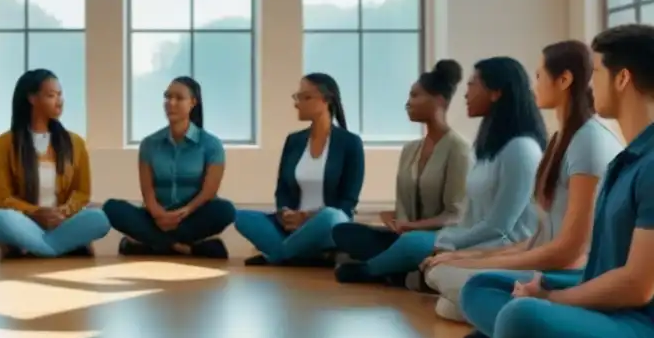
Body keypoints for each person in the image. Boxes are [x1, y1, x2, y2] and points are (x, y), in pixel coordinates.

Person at [460, 25, 654, 338]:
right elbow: (602, 270)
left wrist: (553, 298)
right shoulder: (626, 159)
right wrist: (544, 286)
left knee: (522, 317)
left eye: (596, 72)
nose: (590, 85)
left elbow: (637, 287)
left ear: (623, 78)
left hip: (641, 329)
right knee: (481, 287)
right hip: (606, 307)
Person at [424, 42, 622, 321]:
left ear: (564, 80)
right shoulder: (559, 139)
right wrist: (469, 258)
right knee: (445, 276)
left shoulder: (588, 141)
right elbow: (536, 241)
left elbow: (567, 252)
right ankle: (508, 312)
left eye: (539, 75)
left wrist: (471, 262)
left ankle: (529, 317)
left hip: (570, 274)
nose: (534, 85)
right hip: (545, 265)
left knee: (460, 284)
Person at [335, 57, 546, 285]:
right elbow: (472, 215)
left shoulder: (520, 149)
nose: (465, 94)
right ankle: (403, 268)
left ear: (496, 92)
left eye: (472, 84)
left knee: (416, 246)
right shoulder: (489, 147)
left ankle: (375, 270)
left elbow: (499, 226)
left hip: (497, 247)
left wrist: (445, 241)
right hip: (465, 238)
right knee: (367, 236)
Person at [331, 61, 470, 272]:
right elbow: (406, 208)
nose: (408, 103)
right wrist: (395, 218)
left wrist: (412, 227)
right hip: (405, 236)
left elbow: (455, 215)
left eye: (415, 96)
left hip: (440, 237)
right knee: (343, 231)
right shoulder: (410, 150)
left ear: (439, 100)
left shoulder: (459, 149)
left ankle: (371, 270)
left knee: (413, 242)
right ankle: (397, 265)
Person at [234, 73, 365, 266]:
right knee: (240, 217)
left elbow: (348, 201)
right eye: (297, 97)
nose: (297, 103)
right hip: (293, 227)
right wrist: (286, 214)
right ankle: (308, 255)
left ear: (326, 100)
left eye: (305, 97)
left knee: (330, 216)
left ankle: (278, 256)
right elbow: (282, 190)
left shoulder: (350, 143)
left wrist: (309, 217)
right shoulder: (294, 141)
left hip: (329, 225)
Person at [103, 77, 235, 258]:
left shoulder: (211, 145)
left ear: (193, 103)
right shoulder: (149, 144)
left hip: (192, 215)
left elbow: (208, 192)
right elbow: (147, 192)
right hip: (156, 216)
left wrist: (184, 211)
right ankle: (185, 248)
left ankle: (151, 245)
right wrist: (158, 214)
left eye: (179, 98)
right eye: (167, 97)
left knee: (225, 210)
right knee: (111, 208)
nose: (171, 103)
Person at [0, 69, 110, 258]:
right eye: (51, 95)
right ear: (32, 99)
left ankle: (40, 248)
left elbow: (82, 193)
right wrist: (36, 213)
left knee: (99, 218)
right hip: (25, 223)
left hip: (63, 222)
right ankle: (54, 248)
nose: (59, 101)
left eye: (60, 95)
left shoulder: (75, 142)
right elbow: (2, 198)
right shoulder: (3, 144)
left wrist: (62, 212)